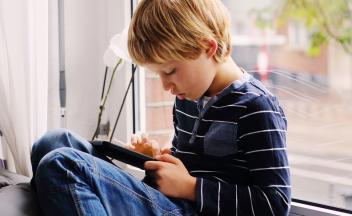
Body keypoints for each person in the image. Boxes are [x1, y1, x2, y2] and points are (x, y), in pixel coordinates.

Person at [31, 0, 291, 215]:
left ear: (208, 47)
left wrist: (191, 187)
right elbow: (188, 164)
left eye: (170, 71)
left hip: (190, 209)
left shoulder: (256, 107)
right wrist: (155, 160)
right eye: (159, 75)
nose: (166, 86)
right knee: (52, 142)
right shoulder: (187, 98)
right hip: (169, 203)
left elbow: (276, 203)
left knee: (61, 164)